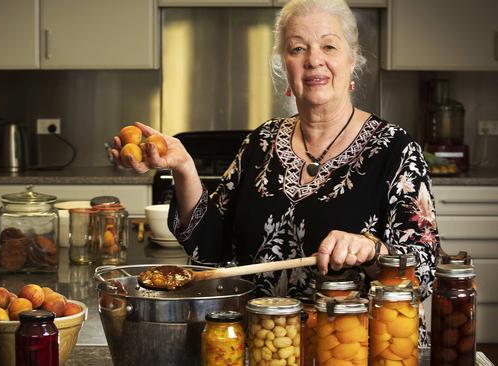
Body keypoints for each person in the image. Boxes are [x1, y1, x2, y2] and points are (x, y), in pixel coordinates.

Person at [112, 0, 439, 341]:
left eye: (329, 45)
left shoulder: (395, 149)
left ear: (352, 59)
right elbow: (211, 250)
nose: (314, 60)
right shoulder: (261, 142)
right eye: (298, 48)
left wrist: (373, 250)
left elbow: (423, 273)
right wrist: (184, 167)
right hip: (267, 345)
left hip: (355, 349)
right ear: (285, 65)